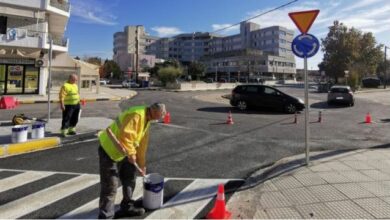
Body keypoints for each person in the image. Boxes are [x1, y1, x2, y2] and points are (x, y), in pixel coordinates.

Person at [98, 103, 166, 219]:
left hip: (125, 152)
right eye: (160, 115)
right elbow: (125, 136)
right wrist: (131, 154)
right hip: (110, 150)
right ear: (154, 111)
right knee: (110, 186)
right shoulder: (137, 115)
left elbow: (142, 145)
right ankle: (106, 216)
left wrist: (142, 164)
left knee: (130, 179)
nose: (161, 118)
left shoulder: (147, 119)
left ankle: (127, 207)